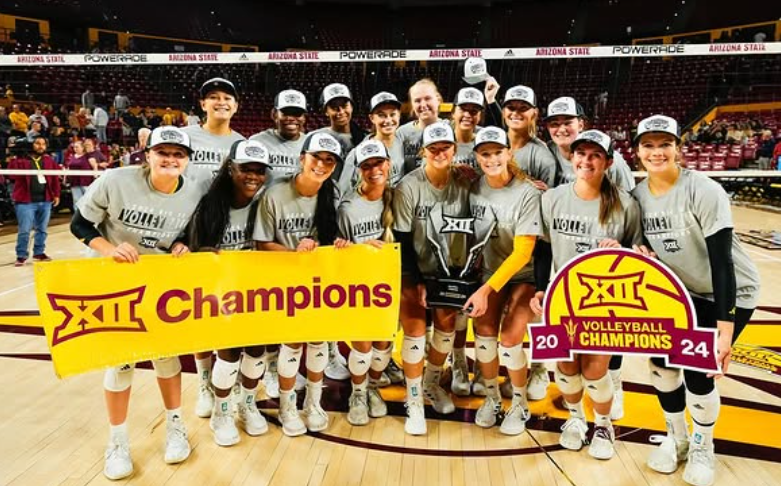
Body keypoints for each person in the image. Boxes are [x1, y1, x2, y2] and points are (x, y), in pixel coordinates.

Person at [631, 115, 760, 486]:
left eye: (665, 144)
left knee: (698, 372)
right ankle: (678, 437)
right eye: (649, 145)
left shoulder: (703, 190)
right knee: (661, 366)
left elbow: (722, 263)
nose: (657, 152)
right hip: (681, 294)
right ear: (638, 151)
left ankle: (704, 445)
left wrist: (724, 333)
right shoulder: (637, 197)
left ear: (678, 148)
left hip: (729, 292)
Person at [69, 126, 201, 480]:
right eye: (163, 153)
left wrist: (184, 243)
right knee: (121, 362)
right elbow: (80, 224)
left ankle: (175, 427)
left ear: (187, 160)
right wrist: (110, 249)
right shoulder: (116, 181)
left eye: (178, 154)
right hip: (116, 281)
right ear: (148, 154)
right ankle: (117, 441)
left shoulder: (195, 191)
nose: (170, 159)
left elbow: (192, 230)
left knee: (166, 356)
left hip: (159, 281)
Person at [531, 129, 642, 460]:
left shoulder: (626, 203)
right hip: (563, 298)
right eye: (581, 153)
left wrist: (622, 250)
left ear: (609, 162)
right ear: (572, 156)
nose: (587, 160)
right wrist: (540, 288)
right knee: (566, 368)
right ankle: (577, 419)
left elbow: (639, 256)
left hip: (606, 302)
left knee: (594, 370)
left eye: (596, 155)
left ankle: (603, 425)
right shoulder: (552, 199)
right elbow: (543, 250)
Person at [254, 132, 347, 436]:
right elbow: (262, 243)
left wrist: (339, 245)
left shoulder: (332, 194)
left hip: (319, 283)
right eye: (316, 157)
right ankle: (287, 406)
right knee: (292, 343)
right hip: (285, 280)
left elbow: (332, 239)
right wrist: (295, 254)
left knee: (318, 341)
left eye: (329, 160)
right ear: (301, 158)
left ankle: (314, 403)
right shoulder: (274, 194)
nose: (321, 164)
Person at [185, 140, 271, 446]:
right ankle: (222, 411)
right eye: (246, 169)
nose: (253, 176)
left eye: (259, 171)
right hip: (221, 293)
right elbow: (195, 252)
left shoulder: (265, 203)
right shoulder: (210, 204)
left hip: (258, 292)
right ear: (231, 168)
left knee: (257, 352)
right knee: (229, 355)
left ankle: (246, 403)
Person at [392, 122, 471, 435]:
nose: (439, 153)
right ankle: (413, 401)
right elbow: (401, 238)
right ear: (423, 151)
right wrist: (417, 280)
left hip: (449, 270)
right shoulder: (408, 186)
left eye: (445, 147)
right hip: (412, 267)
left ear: (454, 149)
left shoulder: (466, 181)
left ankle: (430, 383)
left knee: (446, 331)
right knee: (414, 333)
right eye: (433, 148)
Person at [463, 127, 541, 434]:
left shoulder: (527, 193)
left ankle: (520, 402)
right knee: (483, 335)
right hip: (489, 272)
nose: (492, 158)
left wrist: (484, 291)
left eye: (498, 152)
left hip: (525, 275)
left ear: (509, 153)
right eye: (485, 153)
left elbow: (523, 253)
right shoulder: (474, 187)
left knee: (509, 339)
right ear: (477, 156)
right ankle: (492, 398)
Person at [182, 78, 246, 417]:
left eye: (227, 98)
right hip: (192, 231)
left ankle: (228, 378)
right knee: (200, 313)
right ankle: (204, 383)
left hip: (229, 233)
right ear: (203, 104)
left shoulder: (242, 143)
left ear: (236, 106)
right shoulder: (185, 137)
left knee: (228, 310)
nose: (221, 102)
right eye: (213, 97)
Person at [337, 138, 396, 425]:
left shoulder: (397, 197)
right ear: (359, 169)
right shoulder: (348, 206)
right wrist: (353, 249)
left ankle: (372, 387)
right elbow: (338, 252)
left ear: (388, 164)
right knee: (362, 346)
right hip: (359, 286)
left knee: (383, 346)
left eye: (378, 163)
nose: (374, 170)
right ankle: (358, 393)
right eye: (367, 165)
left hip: (389, 284)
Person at [8, 135, 61, 266]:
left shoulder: (48, 160)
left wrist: (56, 194)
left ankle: (39, 253)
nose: (41, 146)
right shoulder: (21, 160)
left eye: (43, 144)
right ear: (31, 144)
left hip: (45, 200)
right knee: (24, 230)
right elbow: (11, 175)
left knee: (42, 229)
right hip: (25, 202)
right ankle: (21, 255)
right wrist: (15, 157)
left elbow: (55, 179)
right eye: (38, 143)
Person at [249, 89, 308, 187]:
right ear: (274, 114)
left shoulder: (311, 145)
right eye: (286, 113)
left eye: (297, 113)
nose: (291, 118)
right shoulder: (257, 142)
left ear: (304, 118)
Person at [396, 79, 444, 173]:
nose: (423, 105)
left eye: (427, 98)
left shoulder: (449, 128)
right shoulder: (402, 133)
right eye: (417, 101)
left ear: (438, 100)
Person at [64, 140, 97, 205]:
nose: (75, 149)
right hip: (74, 182)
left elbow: (94, 166)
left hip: (86, 182)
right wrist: (65, 178)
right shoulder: (72, 157)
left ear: (82, 148)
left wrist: (95, 177)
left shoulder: (88, 156)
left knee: (88, 200)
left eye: (77, 147)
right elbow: (68, 168)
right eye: (74, 147)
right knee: (77, 201)